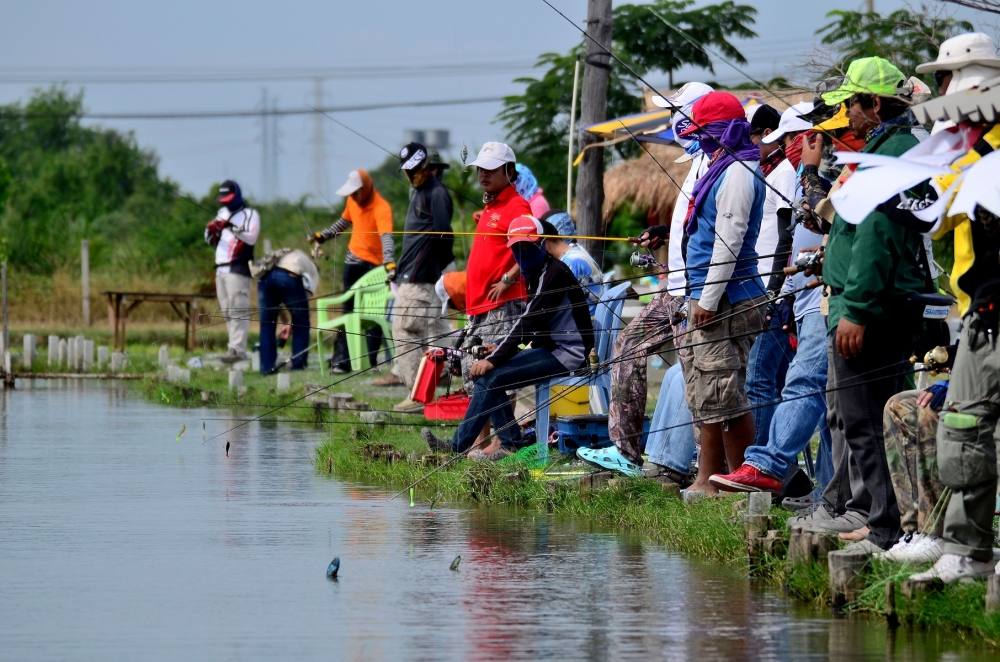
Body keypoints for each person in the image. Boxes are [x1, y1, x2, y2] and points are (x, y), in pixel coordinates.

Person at [796, 57, 931, 556]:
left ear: (874, 104)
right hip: (879, 304)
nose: (846, 114)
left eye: (852, 103)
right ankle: (886, 521)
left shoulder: (890, 156)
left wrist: (854, 308)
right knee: (876, 415)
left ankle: (884, 528)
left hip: (868, 310)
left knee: (863, 418)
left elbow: (876, 239)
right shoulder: (895, 148)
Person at [589, 82, 713, 481]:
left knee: (695, 374)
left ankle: (704, 465)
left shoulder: (716, 163)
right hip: (670, 289)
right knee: (627, 347)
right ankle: (625, 450)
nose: (673, 121)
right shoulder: (692, 161)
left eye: (679, 112)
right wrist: (663, 232)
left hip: (692, 292)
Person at [712, 103, 836, 500]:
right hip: (801, 294)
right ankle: (824, 494)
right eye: (791, 139)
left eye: (792, 137)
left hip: (822, 295)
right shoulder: (799, 173)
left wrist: (774, 294)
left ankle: (767, 467)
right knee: (826, 395)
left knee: (798, 381)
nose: (792, 145)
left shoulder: (817, 172)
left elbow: (818, 222)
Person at [422, 216, 594, 457]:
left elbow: (526, 324)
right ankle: (510, 441)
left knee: (491, 374)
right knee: (491, 376)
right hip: (551, 348)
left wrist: (494, 358)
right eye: (516, 249)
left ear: (541, 244)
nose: (521, 254)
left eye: (526, 247)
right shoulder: (538, 274)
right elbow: (537, 331)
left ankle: (457, 448)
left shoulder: (553, 274)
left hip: (569, 354)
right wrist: (497, 348)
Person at [672, 90, 769, 497]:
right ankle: (709, 479)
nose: (703, 141)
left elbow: (728, 242)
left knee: (725, 392)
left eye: (706, 133)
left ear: (724, 131)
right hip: (706, 296)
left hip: (729, 299)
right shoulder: (721, 167)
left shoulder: (739, 173)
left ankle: (739, 483)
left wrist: (707, 301)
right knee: (705, 391)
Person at [389, 142, 455, 413]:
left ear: (426, 167)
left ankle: (418, 396)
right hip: (412, 275)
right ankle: (443, 382)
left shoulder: (436, 193)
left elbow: (444, 237)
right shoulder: (417, 192)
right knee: (437, 332)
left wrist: (429, 269)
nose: (412, 175)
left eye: (416, 170)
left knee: (405, 331)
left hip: (421, 277)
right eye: (408, 170)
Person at [310, 168, 394, 373]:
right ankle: (341, 361)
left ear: (366, 188)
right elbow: (343, 223)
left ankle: (369, 361)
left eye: (356, 192)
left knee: (373, 315)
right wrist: (324, 236)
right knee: (348, 312)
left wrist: (390, 263)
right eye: (351, 193)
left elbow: (386, 237)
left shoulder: (381, 207)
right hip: (353, 263)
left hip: (374, 267)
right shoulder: (352, 201)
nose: (353, 196)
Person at [205, 179, 260, 363]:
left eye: (229, 198)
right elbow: (209, 240)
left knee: (238, 309)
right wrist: (212, 230)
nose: (226, 202)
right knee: (227, 310)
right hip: (220, 268)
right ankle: (233, 348)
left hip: (238, 267)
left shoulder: (250, 214)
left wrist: (231, 227)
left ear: (237, 196)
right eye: (224, 199)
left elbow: (251, 238)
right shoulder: (221, 213)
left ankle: (238, 350)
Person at [254, 248, 319, 374]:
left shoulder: (292, 254)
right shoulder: (313, 270)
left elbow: (280, 304)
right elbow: (303, 302)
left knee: (267, 324)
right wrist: (292, 321)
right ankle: (298, 365)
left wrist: (287, 323)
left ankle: (266, 368)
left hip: (265, 276)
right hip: (289, 276)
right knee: (301, 323)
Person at [538, 211, 605, 311]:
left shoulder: (570, 263)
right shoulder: (576, 251)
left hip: (587, 321)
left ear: (545, 241)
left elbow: (556, 306)